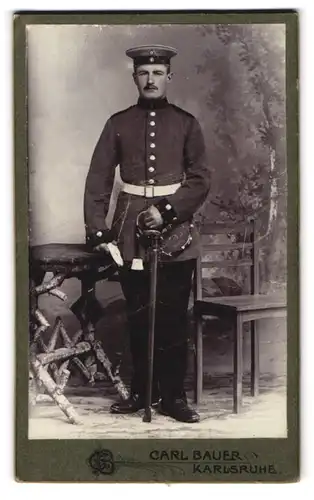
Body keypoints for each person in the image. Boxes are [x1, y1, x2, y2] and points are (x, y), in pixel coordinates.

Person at [84, 45, 210, 423]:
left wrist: (167, 211)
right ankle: (142, 393)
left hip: (176, 233)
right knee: (138, 315)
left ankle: (173, 397)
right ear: (134, 77)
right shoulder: (117, 123)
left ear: (169, 77)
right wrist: (98, 228)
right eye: (144, 73)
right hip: (129, 234)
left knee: (172, 316)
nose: (151, 79)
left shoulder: (187, 123)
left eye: (158, 72)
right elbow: (98, 179)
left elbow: (201, 179)